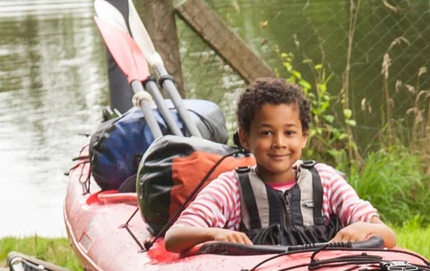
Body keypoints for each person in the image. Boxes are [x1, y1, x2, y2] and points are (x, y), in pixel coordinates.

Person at [164, 77, 395, 251]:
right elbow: (174, 237)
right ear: (245, 138)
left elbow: (388, 235)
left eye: (289, 132)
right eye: (266, 133)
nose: (279, 143)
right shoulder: (230, 188)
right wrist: (214, 233)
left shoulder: (326, 181)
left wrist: (363, 228)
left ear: (304, 136)